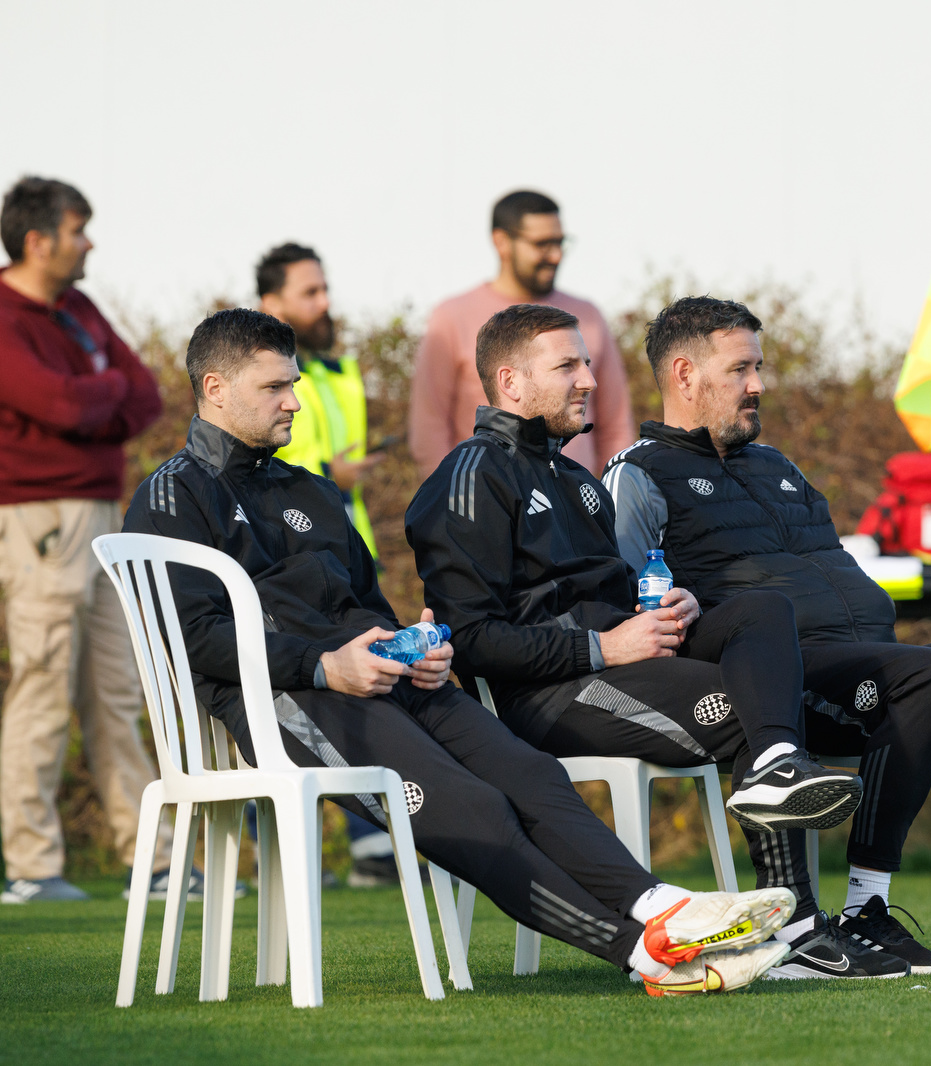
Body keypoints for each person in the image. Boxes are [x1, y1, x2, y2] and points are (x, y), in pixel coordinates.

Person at [124, 307, 795, 996]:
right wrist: (324, 666)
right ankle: (648, 955)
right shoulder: (172, 496)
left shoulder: (314, 493)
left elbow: (364, 609)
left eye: (292, 383)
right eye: (274, 388)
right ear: (214, 390)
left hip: (383, 679)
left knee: (532, 776)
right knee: (472, 809)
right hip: (285, 700)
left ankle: (662, 908)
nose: (295, 400)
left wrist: (418, 647)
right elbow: (192, 637)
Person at [604, 296, 931, 972]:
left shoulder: (779, 467)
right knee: (924, 675)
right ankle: (865, 911)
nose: (758, 385)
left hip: (881, 666)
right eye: (740, 370)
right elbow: (626, 608)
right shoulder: (639, 474)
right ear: (683, 374)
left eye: (759, 367)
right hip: (787, 681)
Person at [404, 303, 894, 980]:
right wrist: (604, 648)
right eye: (568, 365)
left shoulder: (577, 481)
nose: (590, 380)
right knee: (740, 701)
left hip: (622, 666)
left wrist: (669, 609)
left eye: (587, 363)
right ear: (511, 382)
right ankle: (801, 930)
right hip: (547, 699)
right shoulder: (468, 478)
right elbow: (476, 641)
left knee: (759, 612)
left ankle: (777, 768)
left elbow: (611, 602)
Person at [0, 176, 172, 904]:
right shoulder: (5, 315)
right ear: (37, 240)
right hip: (40, 524)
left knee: (116, 689)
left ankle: (157, 864)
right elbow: (62, 402)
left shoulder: (79, 309)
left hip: (106, 515)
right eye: (79, 229)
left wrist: (88, 401)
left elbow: (147, 392)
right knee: (41, 688)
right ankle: (32, 870)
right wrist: (94, 396)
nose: (89, 241)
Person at [257, 241, 394, 886]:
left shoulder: (340, 371)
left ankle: (373, 849)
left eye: (324, 289)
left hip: (342, 550)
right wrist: (331, 475)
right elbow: (261, 473)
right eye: (309, 292)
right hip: (279, 563)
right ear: (271, 302)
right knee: (275, 689)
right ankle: (274, 853)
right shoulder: (257, 380)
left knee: (367, 673)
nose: (324, 302)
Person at [409, 190, 632, 478]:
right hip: (490, 506)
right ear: (501, 242)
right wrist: (456, 501)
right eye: (542, 244)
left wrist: (605, 500)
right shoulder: (452, 318)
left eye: (560, 242)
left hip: (577, 511)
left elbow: (616, 423)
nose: (555, 255)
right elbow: (429, 425)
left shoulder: (588, 317)